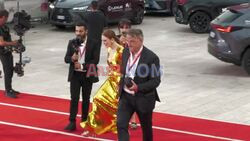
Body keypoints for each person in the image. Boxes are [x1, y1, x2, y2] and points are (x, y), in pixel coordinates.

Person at [117, 29, 161, 141]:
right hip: (126, 97)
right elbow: (124, 71)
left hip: (143, 98)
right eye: (127, 41)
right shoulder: (125, 51)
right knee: (121, 124)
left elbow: (156, 81)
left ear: (141, 41)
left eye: (132, 41)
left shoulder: (152, 57)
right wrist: (121, 83)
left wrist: (138, 87)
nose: (129, 44)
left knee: (146, 129)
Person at [80, 29, 123, 136]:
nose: (103, 43)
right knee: (97, 99)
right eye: (102, 41)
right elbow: (111, 65)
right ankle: (95, 127)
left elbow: (124, 69)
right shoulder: (109, 49)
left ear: (112, 40)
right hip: (111, 79)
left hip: (119, 81)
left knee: (113, 105)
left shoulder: (121, 51)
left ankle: (113, 126)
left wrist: (120, 83)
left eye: (105, 41)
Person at [64, 22, 101, 131]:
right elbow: (66, 58)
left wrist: (82, 65)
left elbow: (95, 60)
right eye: (76, 31)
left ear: (86, 31)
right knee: (74, 98)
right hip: (75, 75)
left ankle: (84, 121)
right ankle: (72, 121)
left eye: (80, 31)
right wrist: (71, 58)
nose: (78, 33)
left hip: (87, 74)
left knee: (86, 99)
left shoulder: (94, 43)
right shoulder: (71, 42)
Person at [117, 19, 138, 130]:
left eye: (127, 27)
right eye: (122, 27)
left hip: (130, 70)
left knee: (131, 95)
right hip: (117, 70)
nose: (124, 30)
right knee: (119, 97)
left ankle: (133, 119)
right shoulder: (115, 39)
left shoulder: (134, 40)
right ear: (119, 28)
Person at [0, 9, 20, 98]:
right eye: (6, 18)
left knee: (10, 70)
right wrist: (13, 43)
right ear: (3, 17)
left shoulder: (5, 27)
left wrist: (15, 44)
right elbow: (1, 43)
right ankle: (8, 91)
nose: (7, 20)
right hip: (2, 52)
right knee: (7, 71)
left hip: (8, 51)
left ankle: (10, 88)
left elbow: (8, 40)